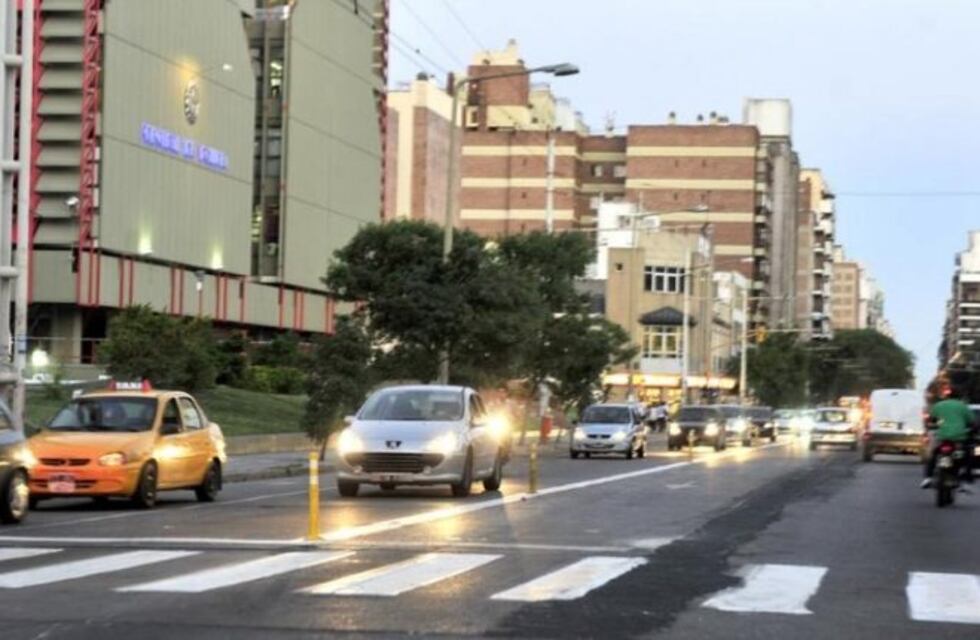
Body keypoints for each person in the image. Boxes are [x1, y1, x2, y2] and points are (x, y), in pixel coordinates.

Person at [921, 386, 975, 489]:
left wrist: (933, 425)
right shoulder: (963, 406)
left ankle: (928, 478)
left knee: (934, 455)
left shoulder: (939, 405)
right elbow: (972, 422)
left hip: (943, 437)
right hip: (959, 438)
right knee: (967, 456)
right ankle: (966, 480)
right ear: (958, 396)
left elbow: (931, 419)